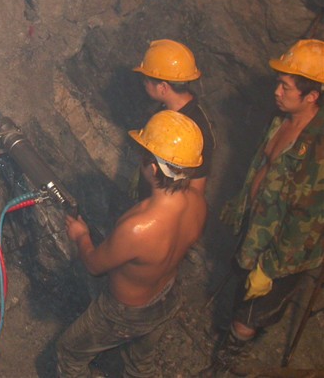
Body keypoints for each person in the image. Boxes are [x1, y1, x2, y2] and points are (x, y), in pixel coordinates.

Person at [56, 110, 207, 377]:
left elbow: (93, 265)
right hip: (168, 297)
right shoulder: (198, 204)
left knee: (70, 352)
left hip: (125, 313)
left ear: (152, 168)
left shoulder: (138, 227)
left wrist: (81, 235)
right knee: (140, 363)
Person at [216, 39, 323, 366]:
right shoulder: (281, 120)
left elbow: (306, 223)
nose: (277, 91)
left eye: (285, 86)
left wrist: (269, 268)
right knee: (241, 295)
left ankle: (231, 357)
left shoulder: (317, 150)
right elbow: (260, 167)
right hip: (257, 231)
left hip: (281, 254)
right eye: (279, 83)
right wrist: (240, 204)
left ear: (311, 96)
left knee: (249, 314)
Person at [132, 39, 215, 197]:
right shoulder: (166, 110)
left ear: (163, 87)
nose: (144, 83)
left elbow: (196, 191)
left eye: (147, 80)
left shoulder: (196, 129)